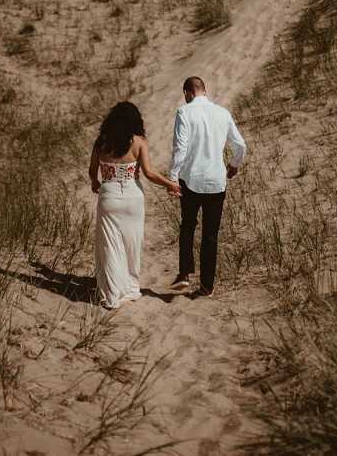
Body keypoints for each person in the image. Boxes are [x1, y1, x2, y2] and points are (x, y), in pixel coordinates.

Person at [90, 101, 180, 310]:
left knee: (110, 247)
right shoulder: (139, 142)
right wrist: (169, 184)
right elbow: (148, 173)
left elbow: (92, 169)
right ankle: (130, 289)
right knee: (132, 244)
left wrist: (95, 181)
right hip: (132, 198)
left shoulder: (101, 141)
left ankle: (112, 294)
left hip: (109, 197)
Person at [168, 76, 246, 298]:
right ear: (205, 90)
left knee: (188, 225)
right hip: (216, 180)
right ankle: (207, 285)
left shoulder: (184, 112)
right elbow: (240, 145)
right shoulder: (222, 113)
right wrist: (233, 165)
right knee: (211, 234)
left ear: (186, 93)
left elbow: (180, 148)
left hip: (190, 179)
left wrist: (173, 178)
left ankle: (184, 273)